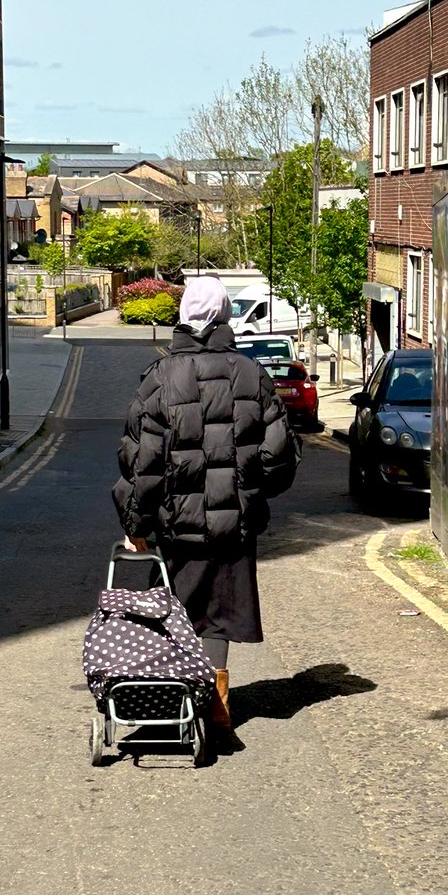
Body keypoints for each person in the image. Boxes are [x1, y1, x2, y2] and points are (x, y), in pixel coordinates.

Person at [112, 275, 299, 744]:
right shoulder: (252, 373)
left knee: (176, 610)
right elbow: (280, 453)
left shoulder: (159, 378)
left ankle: (178, 704)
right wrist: (251, 492)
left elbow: (142, 461)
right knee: (219, 612)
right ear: (223, 318)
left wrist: (137, 523)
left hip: (177, 526)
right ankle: (216, 704)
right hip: (233, 524)